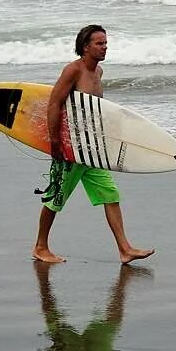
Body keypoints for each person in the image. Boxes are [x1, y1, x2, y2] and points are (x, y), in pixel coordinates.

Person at [32, 24, 154, 264]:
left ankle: (125, 249)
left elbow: (96, 111)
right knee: (56, 198)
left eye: (106, 43)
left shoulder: (99, 73)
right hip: (71, 149)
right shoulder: (73, 71)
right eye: (99, 43)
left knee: (110, 194)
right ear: (85, 47)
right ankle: (40, 247)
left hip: (91, 149)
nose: (104, 47)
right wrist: (56, 143)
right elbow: (54, 104)